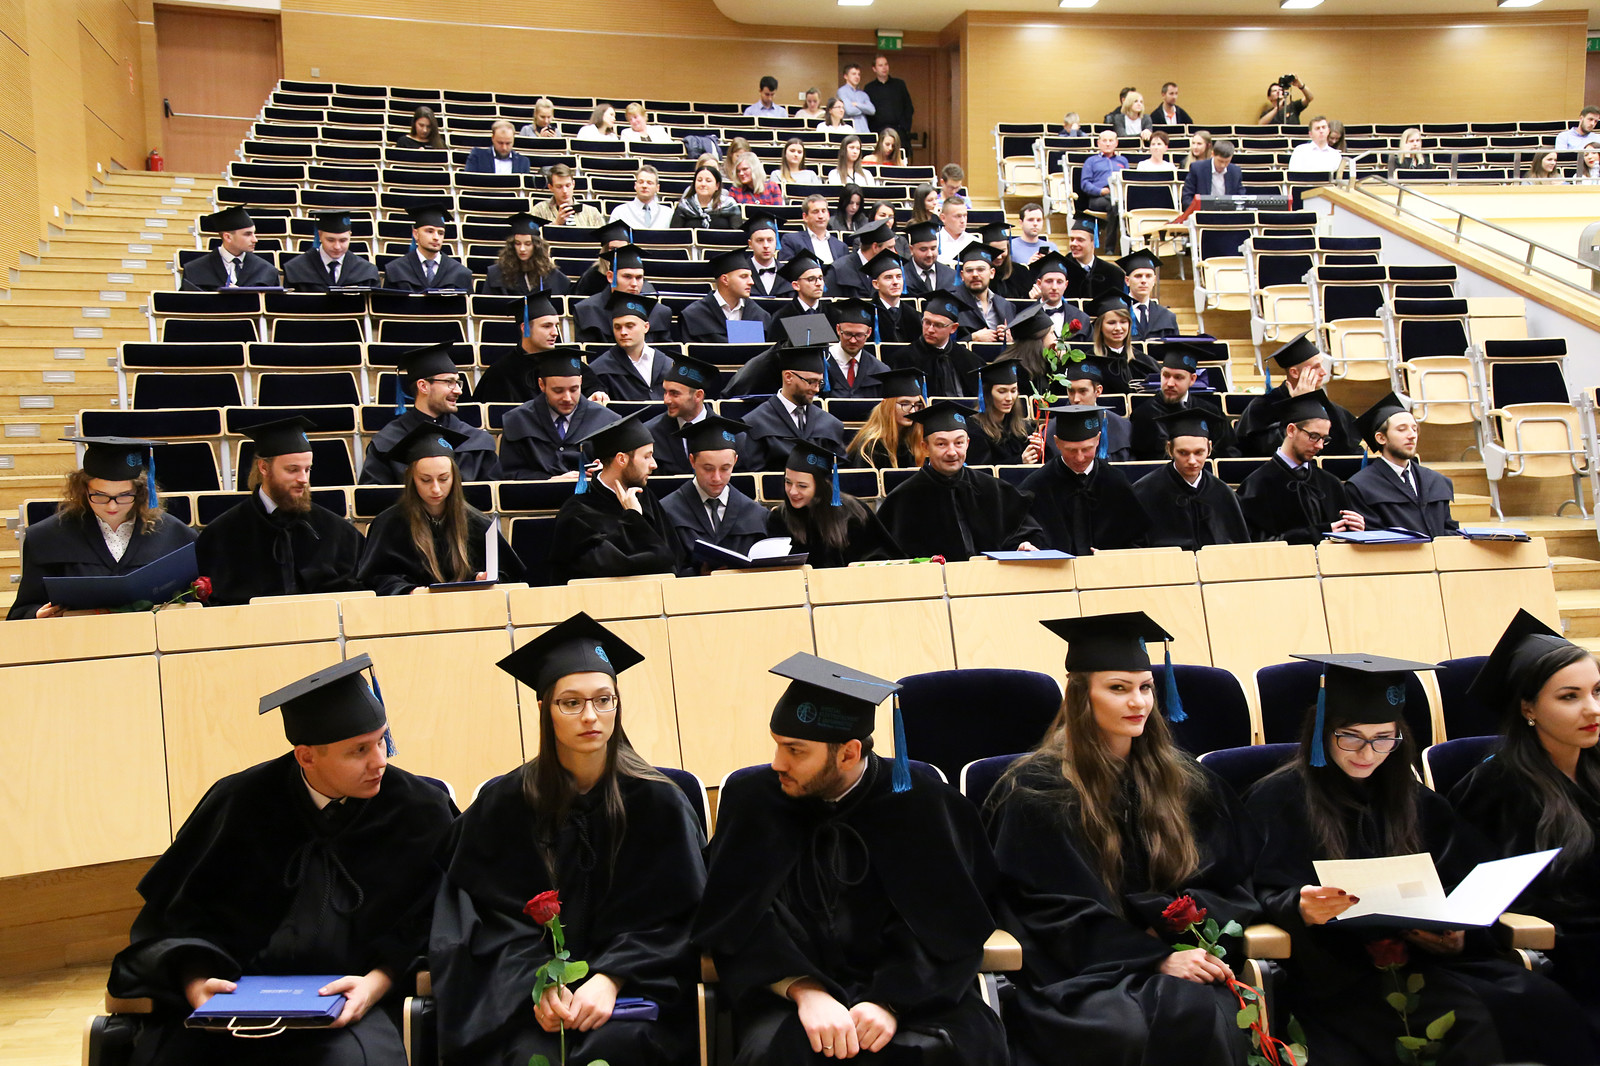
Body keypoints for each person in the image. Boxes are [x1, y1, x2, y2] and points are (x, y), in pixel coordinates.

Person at [1249, 651, 1594, 1066]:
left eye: (1383, 738)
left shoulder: (1416, 801)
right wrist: (1299, 907)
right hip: (1336, 974)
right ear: (1321, 731)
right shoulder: (1277, 799)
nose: (1367, 753)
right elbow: (1255, 890)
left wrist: (1457, 935)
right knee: (1469, 1020)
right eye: (1350, 737)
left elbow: (1460, 882)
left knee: (1540, 1000)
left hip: (1427, 961)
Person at [106, 655, 455, 1066]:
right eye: (359, 750)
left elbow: (437, 921)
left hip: (357, 1004)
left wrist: (376, 984)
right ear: (306, 756)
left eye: (381, 741)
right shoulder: (239, 804)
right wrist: (195, 981)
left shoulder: (419, 810)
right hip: (234, 995)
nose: (379, 761)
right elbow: (174, 917)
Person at [694, 652, 1007, 1066]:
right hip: (793, 1001)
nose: (777, 763)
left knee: (961, 1047)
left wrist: (890, 1001)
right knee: (774, 1053)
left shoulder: (924, 804)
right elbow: (735, 921)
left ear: (848, 753)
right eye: (777, 744)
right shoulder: (755, 803)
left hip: (920, 997)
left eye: (795, 750)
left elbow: (953, 925)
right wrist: (805, 990)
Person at [985, 612, 1261, 1066]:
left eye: (1145, 688)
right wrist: (1151, 957)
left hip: (1178, 957)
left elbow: (1231, 879)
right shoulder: (1037, 791)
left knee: (1213, 1010)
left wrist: (1175, 931)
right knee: (1128, 1027)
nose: (1137, 702)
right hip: (1078, 977)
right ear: (1081, 696)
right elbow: (1045, 911)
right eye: (1118, 688)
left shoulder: (1182, 780)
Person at [431, 614, 705, 1066]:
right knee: (526, 1055)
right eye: (571, 703)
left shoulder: (659, 803)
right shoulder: (505, 803)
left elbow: (681, 918)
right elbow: (480, 919)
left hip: (636, 993)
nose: (591, 716)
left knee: (618, 1047)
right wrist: (536, 984)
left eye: (604, 700)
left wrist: (612, 978)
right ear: (544, 709)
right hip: (528, 1000)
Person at [1451, 610, 1600, 1023]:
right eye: (1569, 697)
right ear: (1528, 708)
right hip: (1565, 958)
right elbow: (1486, 897)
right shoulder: (1496, 786)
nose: (1592, 709)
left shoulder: (1595, 764)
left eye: (1597, 691)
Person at [9, 437, 196, 620]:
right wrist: (37, 615)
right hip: (78, 637)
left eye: (124, 495)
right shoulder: (46, 537)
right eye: (100, 495)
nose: (112, 506)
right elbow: (21, 612)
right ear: (83, 490)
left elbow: (199, 602)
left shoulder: (177, 535)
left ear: (140, 492)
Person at [195, 418, 363, 607]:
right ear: (264, 468)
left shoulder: (337, 531)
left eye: (307, 469)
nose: (303, 479)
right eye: (292, 470)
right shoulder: (222, 534)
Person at [355, 426, 523, 596]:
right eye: (425, 480)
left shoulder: (477, 523)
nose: (436, 489)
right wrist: (408, 591)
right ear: (411, 479)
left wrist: (479, 578)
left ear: (454, 477)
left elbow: (508, 574)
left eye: (443, 479)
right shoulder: (388, 524)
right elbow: (374, 579)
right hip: (410, 609)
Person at [876, 401, 1043, 558]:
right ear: (925, 448)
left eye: (958, 443)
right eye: (941, 444)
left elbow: (1025, 532)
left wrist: (1022, 545)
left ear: (968, 444)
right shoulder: (903, 499)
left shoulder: (992, 489)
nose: (952, 452)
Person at [547, 414, 678, 583]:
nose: (654, 464)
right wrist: (633, 518)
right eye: (646, 457)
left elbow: (672, 559)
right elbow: (613, 567)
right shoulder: (577, 512)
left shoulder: (645, 497)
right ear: (621, 459)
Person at [1237, 390, 1366, 544]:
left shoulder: (1330, 483)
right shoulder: (1257, 486)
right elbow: (1256, 544)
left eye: (1324, 439)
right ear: (1291, 430)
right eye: (1314, 436)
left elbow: (1344, 535)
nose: (1320, 446)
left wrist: (1355, 529)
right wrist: (1314, 534)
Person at [360, 343, 501, 484]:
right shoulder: (387, 442)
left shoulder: (477, 442)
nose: (458, 390)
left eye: (458, 382)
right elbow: (376, 495)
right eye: (449, 382)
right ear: (423, 386)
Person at [1020, 405, 1150, 555]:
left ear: (1098, 440)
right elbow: (1019, 535)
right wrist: (1025, 546)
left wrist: (1112, 556)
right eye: (1071, 450)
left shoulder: (1116, 482)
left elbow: (1138, 540)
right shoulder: (1036, 485)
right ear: (1057, 443)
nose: (1080, 458)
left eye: (1086, 449)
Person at [762, 441, 898, 567]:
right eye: (788, 482)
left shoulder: (853, 513)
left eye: (802, 486)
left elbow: (882, 556)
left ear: (821, 486)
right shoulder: (779, 518)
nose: (792, 491)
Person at [1131, 409, 1250, 550]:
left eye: (1199, 452)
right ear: (1170, 449)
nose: (1192, 461)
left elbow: (1241, 548)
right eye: (1183, 453)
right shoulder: (1144, 492)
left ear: (1209, 448)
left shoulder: (1223, 493)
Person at [659, 416, 767, 571]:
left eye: (725, 468)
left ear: (735, 461)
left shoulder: (755, 514)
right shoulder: (667, 512)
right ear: (692, 461)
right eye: (708, 468)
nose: (716, 478)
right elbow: (665, 571)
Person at [1345, 392, 1458, 537]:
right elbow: (1372, 537)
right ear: (1381, 438)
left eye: (1414, 429)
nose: (1412, 435)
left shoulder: (1436, 481)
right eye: (1402, 429)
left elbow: (1449, 530)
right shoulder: (1361, 486)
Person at [501, 350, 622, 481]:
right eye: (558, 391)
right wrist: (549, 481)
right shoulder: (518, 421)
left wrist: (607, 470)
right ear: (542, 385)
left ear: (581, 382)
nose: (567, 398)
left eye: (574, 389)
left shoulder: (607, 421)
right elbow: (508, 474)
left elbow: (624, 469)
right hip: (538, 494)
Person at [1234, 331, 1359, 456]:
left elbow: (1349, 448)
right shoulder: (1262, 407)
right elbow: (1266, 449)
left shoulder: (1329, 407)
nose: (1324, 372)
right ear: (1294, 372)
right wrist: (1299, 406)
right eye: (1316, 367)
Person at [738, 346, 850, 472]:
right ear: (788, 377)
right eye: (811, 381)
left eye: (820, 383)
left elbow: (841, 472)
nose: (816, 389)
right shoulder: (755, 424)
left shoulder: (830, 424)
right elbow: (755, 474)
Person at [1129, 342, 1239, 459]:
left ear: (1192, 379)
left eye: (1178, 377)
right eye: (1166, 375)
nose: (1170, 383)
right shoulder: (1143, 414)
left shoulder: (1211, 412)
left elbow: (1229, 454)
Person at [472, 294, 566, 405]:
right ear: (525, 328)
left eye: (556, 325)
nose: (555, 333)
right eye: (547, 326)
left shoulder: (564, 364)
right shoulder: (501, 374)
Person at [572, 243, 674, 344]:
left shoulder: (659, 313)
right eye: (627, 277)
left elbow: (666, 352)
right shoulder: (587, 311)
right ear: (610, 277)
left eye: (639, 278)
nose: (634, 284)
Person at [892, 291, 983, 399]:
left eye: (938, 325)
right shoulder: (903, 359)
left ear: (953, 328)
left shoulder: (970, 361)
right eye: (927, 322)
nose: (930, 330)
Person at [643, 355, 720, 478]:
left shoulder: (727, 434)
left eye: (674, 394)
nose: (666, 400)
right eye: (665, 392)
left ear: (698, 396)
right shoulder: (650, 434)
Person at [589, 291, 674, 402]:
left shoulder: (667, 364)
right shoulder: (600, 369)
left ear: (646, 327)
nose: (623, 332)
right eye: (617, 327)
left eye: (630, 326)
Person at [966, 359, 1043, 466]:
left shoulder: (1023, 429)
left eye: (1013, 391)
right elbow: (983, 471)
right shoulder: (974, 430)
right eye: (1002, 391)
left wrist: (1039, 453)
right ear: (987, 394)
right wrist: (1019, 462)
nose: (1009, 398)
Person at [181, 206, 279, 290]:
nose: (255, 240)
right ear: (227, 237)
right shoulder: (194, 270)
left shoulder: (266, 271)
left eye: (254, 233)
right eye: (248, 234)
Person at [847, 368, 927, 470]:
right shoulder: (872, 447)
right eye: (904, 404)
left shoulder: (911, 441)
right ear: (887, 406)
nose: (912, 411)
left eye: (916, 405)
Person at [382, 204, 473, 292]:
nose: (436, 237)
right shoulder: (396, 270)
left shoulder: (460, 273)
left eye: (440, 233)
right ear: (415, 234)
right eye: (430, 231)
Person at [282, 210, 379, 291]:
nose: (337, 246)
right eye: (330, 240)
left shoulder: (367, 271)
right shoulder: (296, 269)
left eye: (343, 240)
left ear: (350, 235)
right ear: (320, 235)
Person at [1058, 354, 1135, 452]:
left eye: (1083, 391)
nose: (1076, 399)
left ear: (1098, 391)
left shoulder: (1122, 427)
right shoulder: (1051, 430)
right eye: (1071, 391)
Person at [821, 297, 892, 400]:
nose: (853, 340)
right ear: (838, 329)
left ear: (869, 333)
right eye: (848, 334)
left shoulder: (880, 370)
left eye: (859, 335)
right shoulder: (821, 363)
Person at [484, 212, 571, 296]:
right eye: (518, 243)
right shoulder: (496, 273)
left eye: (528, 244)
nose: (522, 249)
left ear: (536, 246)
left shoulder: (552, 275)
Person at [948, 244, 1015, 343]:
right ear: (962, 275)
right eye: (969, 271)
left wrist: (1010, 341)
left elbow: (1018, 345)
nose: (975, 274)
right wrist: (972, 338)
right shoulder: (950, 303)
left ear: (992, 273)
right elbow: (941, 344)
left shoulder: (1006, 306)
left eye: (981, 270)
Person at [822, 218, 895, 299]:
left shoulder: (888, 270)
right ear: (875, 247)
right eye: (890, 247)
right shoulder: (839, 270)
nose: (894, 252)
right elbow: (828, 302)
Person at [1080, 129, 1129, 248]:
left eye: (1111, 141)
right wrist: (1100, 191)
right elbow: (1085, 183)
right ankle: (1110, 248)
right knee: (1114, 205)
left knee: (1118, 205)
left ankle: (1128, 245)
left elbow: (1127, 180)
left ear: (1116, 143)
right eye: (1104, 141)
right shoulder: (1091, 161)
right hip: (1098, 198)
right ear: (1098, 143)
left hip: (1119, 197)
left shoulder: (1123, 161)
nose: (1108, 144)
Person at [1029, 251, 1090, 344]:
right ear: (1039, 284)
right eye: (1049, 281)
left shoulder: (1081, 318)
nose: (1054, 287)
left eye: (1059, 282)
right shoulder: (1027, 318)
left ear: (1066, 285)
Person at [766, 252, 828, 340]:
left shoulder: (832, 314)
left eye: (820, 278)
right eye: (811, 279)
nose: (818, 283)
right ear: (796, 285)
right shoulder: (782, 317)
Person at [1119, 249, 1179, 340]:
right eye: (1138, 276)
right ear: (1127, 281)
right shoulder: (1116, 313)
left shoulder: (1167, 316)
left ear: (1154, 280)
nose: (1143, 281)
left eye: (1148, 276)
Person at [1064, 221, 1126, 301]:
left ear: (1093, 242)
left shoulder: (1113, 274)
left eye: (1080, 240)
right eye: (1072, 239)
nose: (1074, 244)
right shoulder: (1062, 270)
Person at [531, 163, 606, 229]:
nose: (565, 191)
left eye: (568, 185)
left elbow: (603, 238)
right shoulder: (539, 210)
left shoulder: (592, 212)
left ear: (573, 184)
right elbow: (532, 237)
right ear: (550, 187)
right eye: (559, 187)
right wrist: (556, 224)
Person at [864, 249, 917, 343]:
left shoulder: (914, 315)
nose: (895, 282)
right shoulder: (867, 315)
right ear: (876, 284)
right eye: (888, 278)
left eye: (899, 276)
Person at [780, 194, 847, 265]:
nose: (821, 216)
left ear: (828, 215)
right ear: (805, 217)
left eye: (823, 211)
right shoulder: (792, 241)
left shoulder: (841, 247)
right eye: (815, 212)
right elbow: (787, 269)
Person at [671, 163, 742, 230]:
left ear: (717, 186)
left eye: (708, 181)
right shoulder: (684, 206)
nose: (703, 184)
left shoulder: (729, 205)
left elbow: (738, 234)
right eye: (699, 180)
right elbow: (675, 235)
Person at [1181, 138, 1242, 209]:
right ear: (1212, 154)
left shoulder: (1235, 171)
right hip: (1202, 211)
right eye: (1220, 161)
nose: (1223, 165)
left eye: (1227, 161)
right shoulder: (1197, 168)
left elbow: (1240, 196)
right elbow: (1187, 197)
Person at [863, 54, 914, 138]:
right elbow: (867, 111)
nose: (884, 68)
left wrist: (905, 128)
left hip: (899, 130)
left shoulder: (899, 84)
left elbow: (908, 107)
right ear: (874, 69)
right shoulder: (869, 88)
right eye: (880, 65)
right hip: (878, 131)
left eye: (886, 64)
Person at [903, 220, 959, 296]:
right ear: (911, 250)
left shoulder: (951, 275)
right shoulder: (902, 277)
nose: (929, 254)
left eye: (933, 248)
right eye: (923, 249)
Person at [742, 212, 791, 298]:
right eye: (760, 240)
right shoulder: (741, 273)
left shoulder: (788, 273)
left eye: (770, 240)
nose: (766, 245)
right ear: (750, 244)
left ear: (776, 242)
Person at [610, 166, 673, 230]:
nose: (644, 186)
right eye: (641, 182)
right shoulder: (620, 212)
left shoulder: (668, 214)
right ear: (635, 185)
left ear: (657, 188)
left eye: (649, 183)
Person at [464, 119, 530, 174]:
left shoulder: (523, 162)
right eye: (500, 143)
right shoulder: (477, 156)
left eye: (508, 143)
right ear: (493, 138)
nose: (504, 148)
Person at [835, 62, 875, 133]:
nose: (857, 77)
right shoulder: (842, 91)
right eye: (853, 74)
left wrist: (857, 104)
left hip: (865, 131)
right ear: (845, 76)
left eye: (858, 74)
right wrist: (864, 109)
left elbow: (872, 110)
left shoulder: (863, 94)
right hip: (850, 131)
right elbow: (849, 110)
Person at [935, 195, 975, 265]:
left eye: (965, 215)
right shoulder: (934, 242)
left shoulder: (975, 242)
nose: (963, 220)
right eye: (958, 216)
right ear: (943, 218)